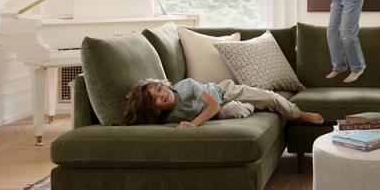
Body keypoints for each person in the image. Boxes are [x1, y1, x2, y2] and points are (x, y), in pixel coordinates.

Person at [122, 78, 324, 127]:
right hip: (221, 112)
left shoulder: (186, 86)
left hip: (223, 92)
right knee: (234, 112)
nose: (162, 94)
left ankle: (298, 114)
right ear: (155, 110)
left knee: (270, 97)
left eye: (159, 89)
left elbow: (213, 105)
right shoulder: (167, 119)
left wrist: (193, 124)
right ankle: (252, 105)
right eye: (155, 99)